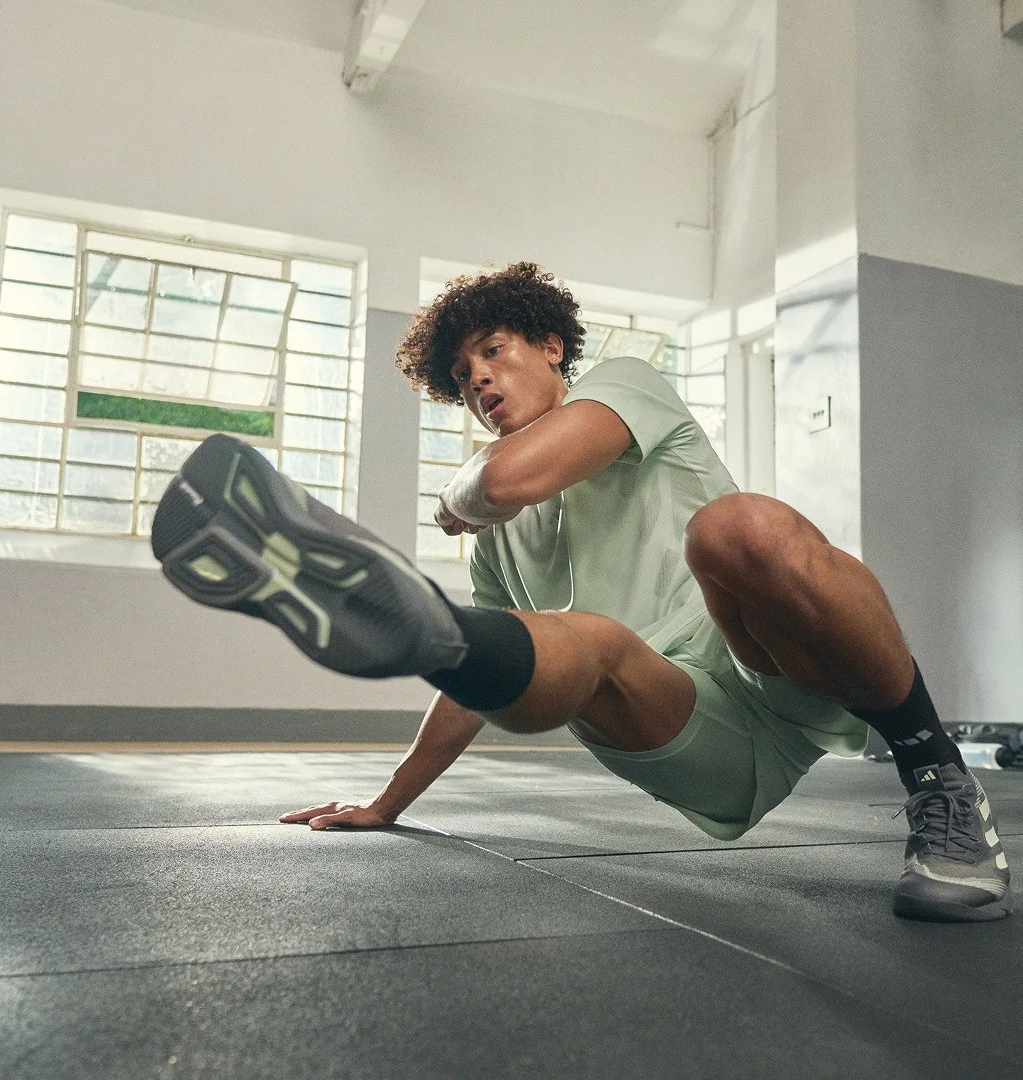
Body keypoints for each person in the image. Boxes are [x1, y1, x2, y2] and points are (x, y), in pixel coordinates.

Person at [151, 262, 1012, 923]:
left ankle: (937, 778)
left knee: (736, 527)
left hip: (778, 662)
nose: (479, 380)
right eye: (462, 375)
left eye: (494, 351)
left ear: (552, 346)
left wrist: (454, 503)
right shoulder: (501, 530)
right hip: (682, 725)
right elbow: (474, 687)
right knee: (573, 640)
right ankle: (431, 633)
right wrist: (389, 801)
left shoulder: (627, 386)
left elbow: (506, 480)